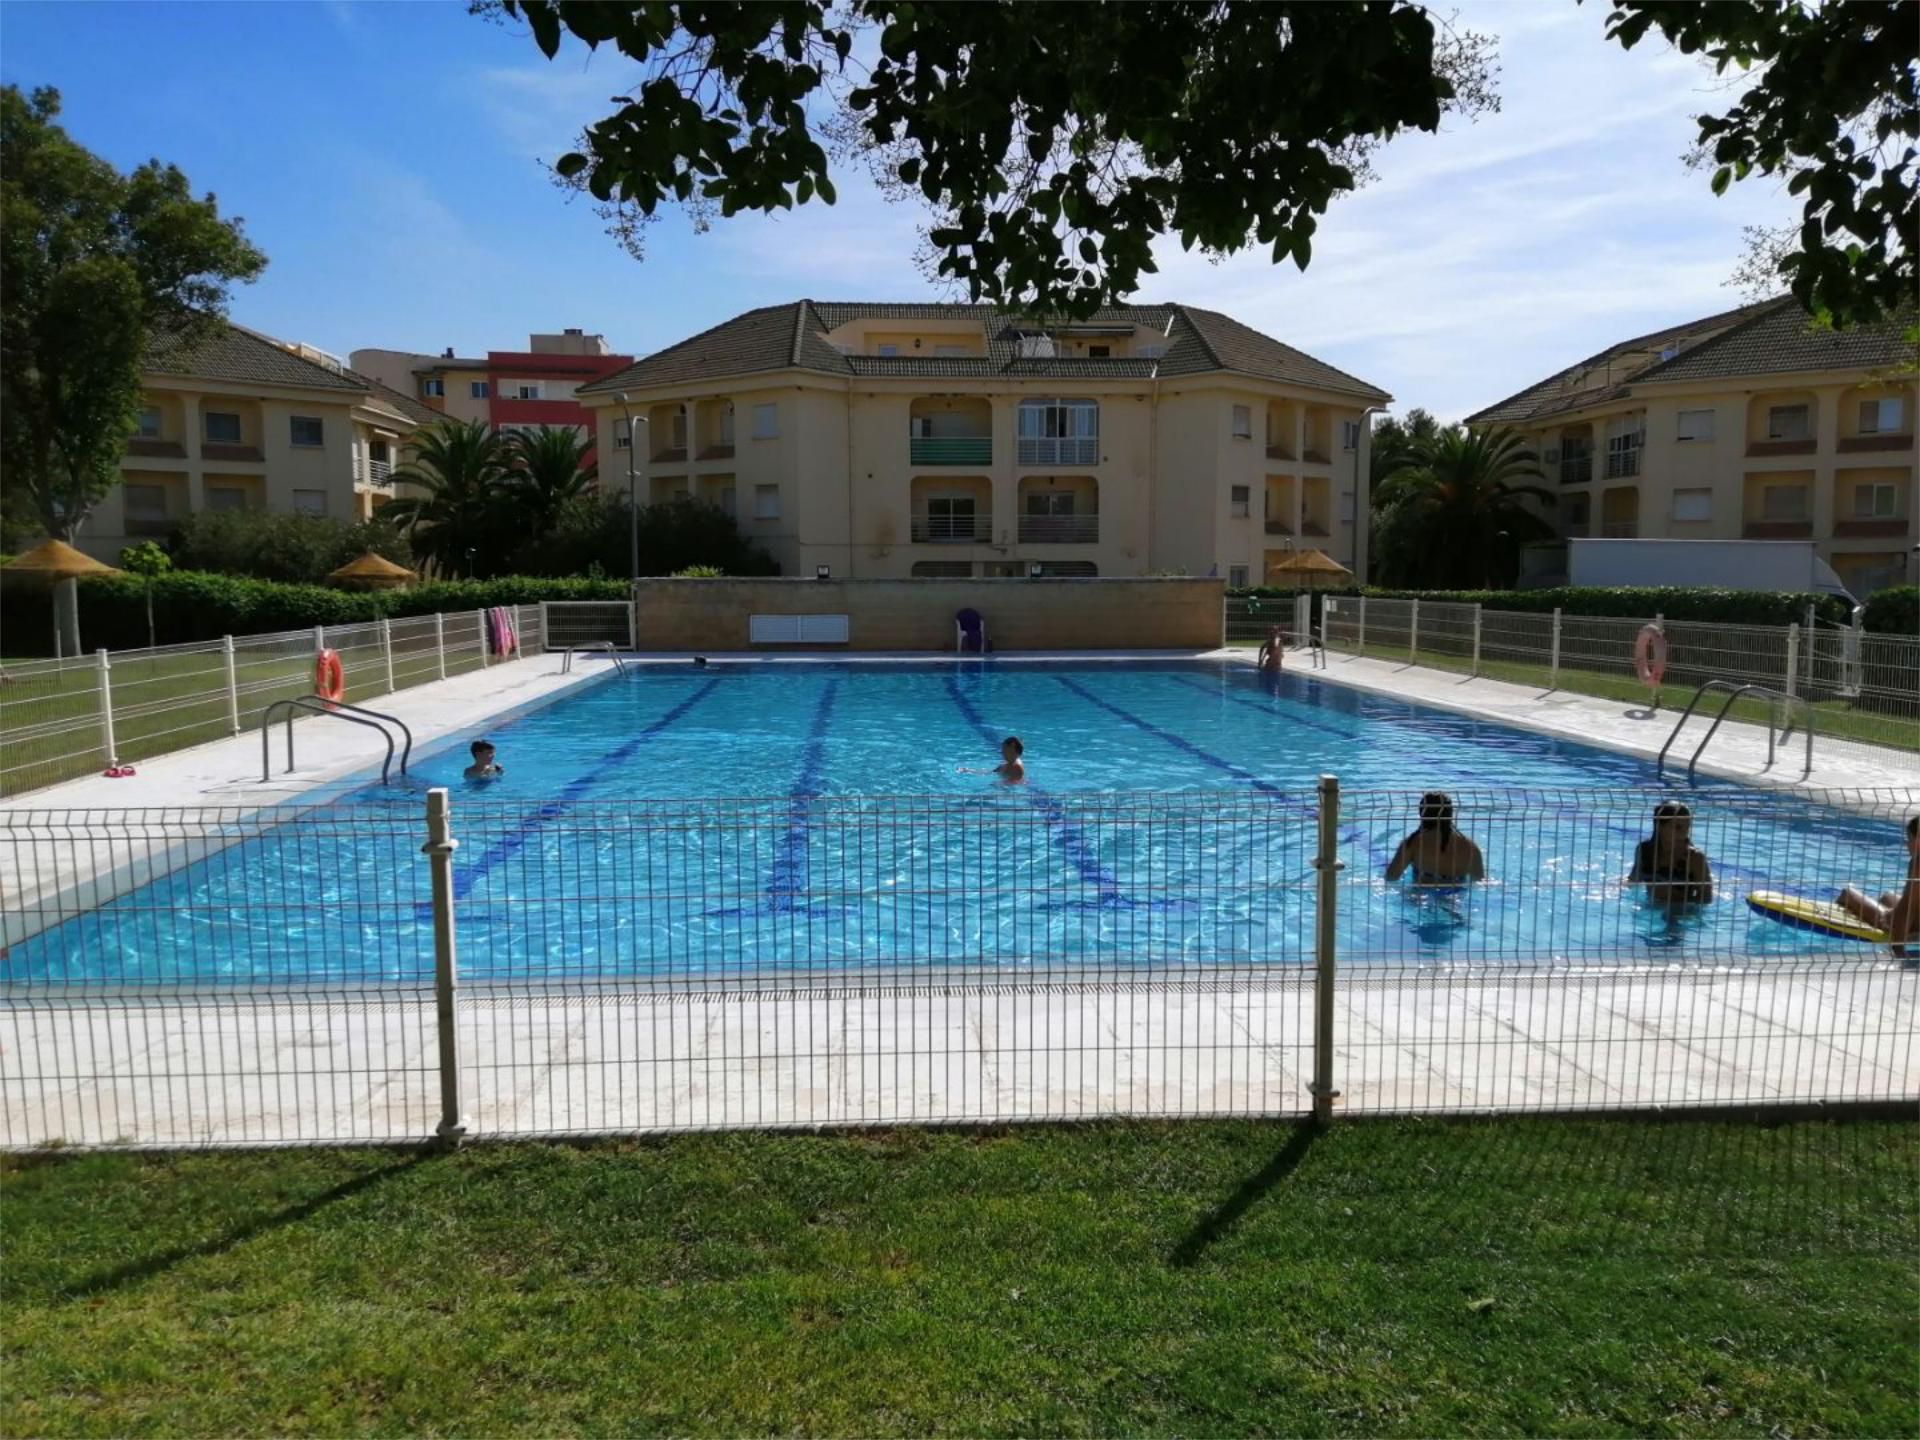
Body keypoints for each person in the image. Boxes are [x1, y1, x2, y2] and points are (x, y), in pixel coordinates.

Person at [1837, 814, 1920, 958]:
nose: (1907, 845)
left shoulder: (1917, 863)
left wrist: (1898, 948)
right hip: (1910, 920)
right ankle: (1856, 897)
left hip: (1912, 921)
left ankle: (1886, 905)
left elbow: (1908, 908)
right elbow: (1909, 906)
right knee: (1886, 907)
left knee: (1852, 893)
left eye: (1909, 839)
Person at [1385, 791, 1485, 886]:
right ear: (1450, 814)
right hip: (1455, 896)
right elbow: (1479, 882)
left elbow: (1391, 877)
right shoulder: (1471, 848)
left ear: (1422, 813)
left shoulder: (1413, 843)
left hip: (1420, 894)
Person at [1627, 801, 1714, 908]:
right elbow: (1633, 880)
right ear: (1660, 826)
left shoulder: (1694, 858)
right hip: (1651, 907)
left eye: (1687, 827)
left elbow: (1706, 897)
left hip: (1682, 911)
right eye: (1678, 827)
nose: (1684, 833)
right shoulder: (1645, 851)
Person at [959, 735, 1026, 785]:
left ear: (1014, 752)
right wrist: (970, 770)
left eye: (1005, 751)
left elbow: (1015, 782)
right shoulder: (1006, 764)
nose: (1002, 752)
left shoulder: (1017, 767)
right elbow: (990, 773)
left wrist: (998, 784)